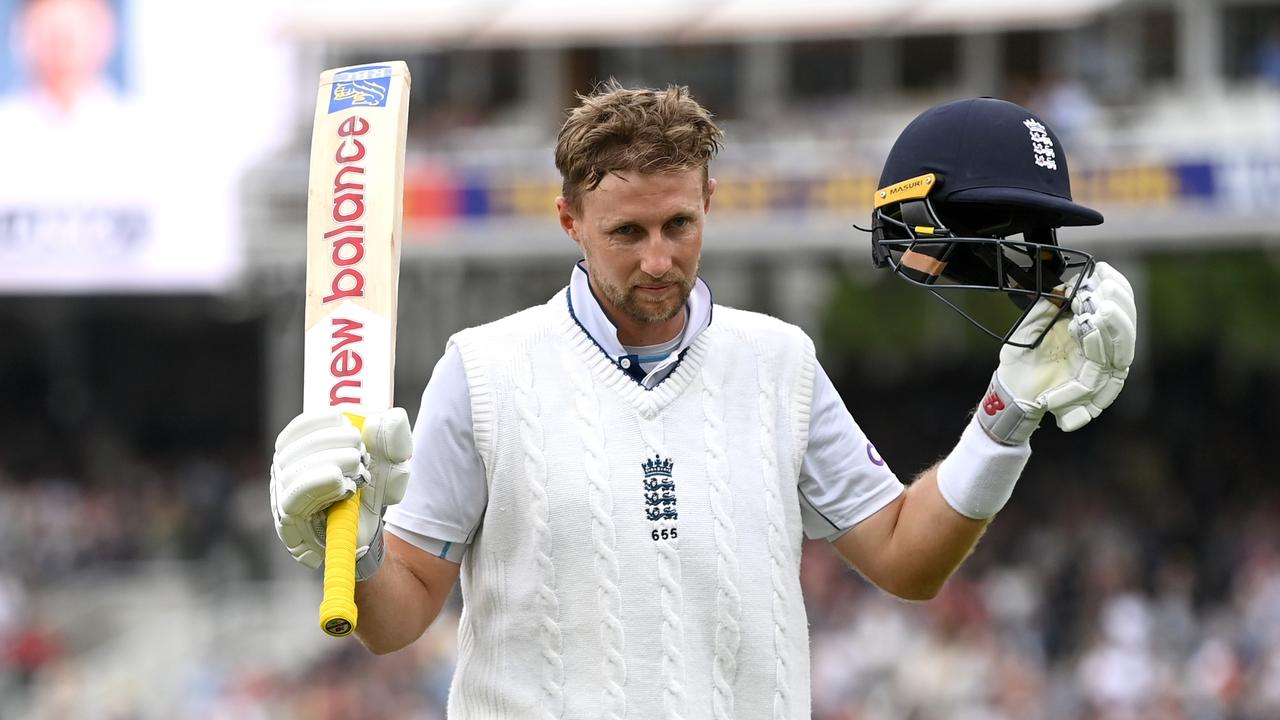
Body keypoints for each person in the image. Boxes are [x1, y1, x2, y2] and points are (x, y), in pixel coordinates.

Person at [270, 86, 1137, 718]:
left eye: (678, 225)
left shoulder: (779, 362)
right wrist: (354, 547)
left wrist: (1006, 415)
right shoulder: (484, 368)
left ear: (709, 202)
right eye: (627, 233)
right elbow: (401, 617)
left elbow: (909, 560)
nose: (658, 261)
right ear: (569, 220)